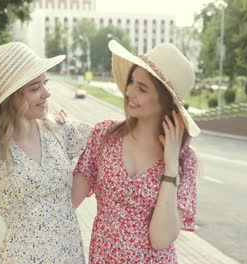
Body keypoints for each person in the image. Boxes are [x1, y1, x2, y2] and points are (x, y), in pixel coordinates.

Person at [72, 40, 201, 263]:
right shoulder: (104, 136)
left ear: (165, 102)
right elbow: (68, 200)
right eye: (131, 81)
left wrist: (170, 166)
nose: (129, 92)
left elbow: (161, 240)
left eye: (142, 88)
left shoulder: (184, 161)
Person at [0, 42, 91, 263]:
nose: (47, 93)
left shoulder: (57, 129)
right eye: (34, 88)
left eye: (45, 83)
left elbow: (107, 138)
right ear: (11, 96)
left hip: (70, 255)